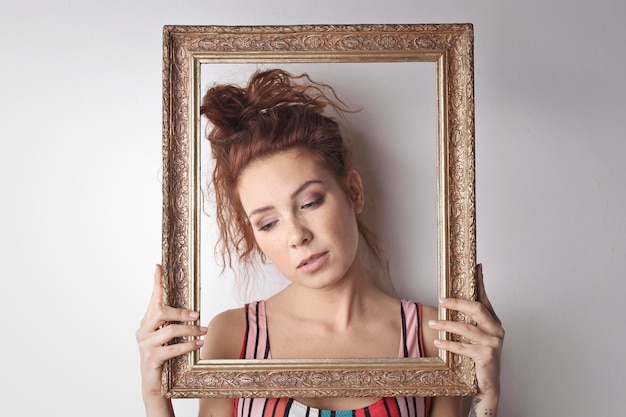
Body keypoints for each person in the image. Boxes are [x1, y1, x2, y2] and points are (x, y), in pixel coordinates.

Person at [137, 69, 504, 417]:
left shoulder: (433, 336)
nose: (297, 235)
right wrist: (155, 397)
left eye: (310, 202)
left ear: (353, 192)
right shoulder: (233, 337)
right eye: (268, 223)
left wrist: (486, 397)